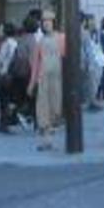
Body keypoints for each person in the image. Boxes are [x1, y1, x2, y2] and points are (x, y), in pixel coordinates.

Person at [28, 10, 65, 151]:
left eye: (49, 21)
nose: (46, 24)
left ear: (54, 23)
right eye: (44, 21)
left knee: (56, 108)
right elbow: (35, 65)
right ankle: (46, 140)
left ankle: (51, 133)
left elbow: (67, 59)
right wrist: (32, 83)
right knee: (43, 109)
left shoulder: (62, 38)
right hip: (43, 79)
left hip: (58, 79)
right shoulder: (39, 42)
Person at [0, 22, 18, 134]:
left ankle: (4, 124)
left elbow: (0, 59)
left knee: (4, 100)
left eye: (1, 29)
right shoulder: (14, 43)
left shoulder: (6, 44)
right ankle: (5, 123)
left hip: (5, 74)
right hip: (11, 74)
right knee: (6, 99)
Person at [81, 14, 103, 112]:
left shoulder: (94, 32)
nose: (92, 22)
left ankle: (90, 101)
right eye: (90, 20)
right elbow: (88, 50)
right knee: (90, 82)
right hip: (86, 61)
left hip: (89, 60)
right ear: (85, 21)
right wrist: (90, 63)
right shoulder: (85, 33)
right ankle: (91, 102)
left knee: (90, 82)